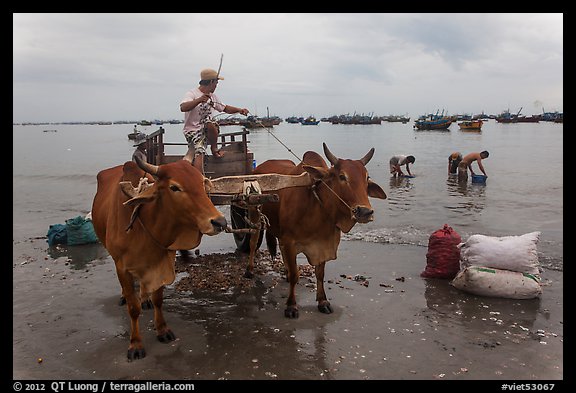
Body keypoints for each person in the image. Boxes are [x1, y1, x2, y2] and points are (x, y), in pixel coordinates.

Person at [180, 68, 249, 174]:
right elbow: (183, 107)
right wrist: (199, 100)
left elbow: (225, 108)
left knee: (210, 123)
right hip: (192, 131)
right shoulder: (192, 94)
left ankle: (214, 147)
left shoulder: (213, 97)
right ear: (211, 82)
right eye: (216, 82)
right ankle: (200, 179)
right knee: (199, 151)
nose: (216, 85)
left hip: (207, 130)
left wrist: (240, 110)